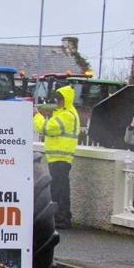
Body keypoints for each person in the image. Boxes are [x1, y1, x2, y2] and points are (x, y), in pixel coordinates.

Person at [33, 85, 80, 229]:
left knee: (59, 190)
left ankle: (62, 219)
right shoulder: (64, 113)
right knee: (60, 189)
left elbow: (47, 128)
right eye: (57, 99)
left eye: (60, 99)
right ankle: (62, 217)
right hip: (59, 158)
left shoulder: (66, 115)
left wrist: (36, 115)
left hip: (61, 159)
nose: (57, 101)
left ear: (66, 100)